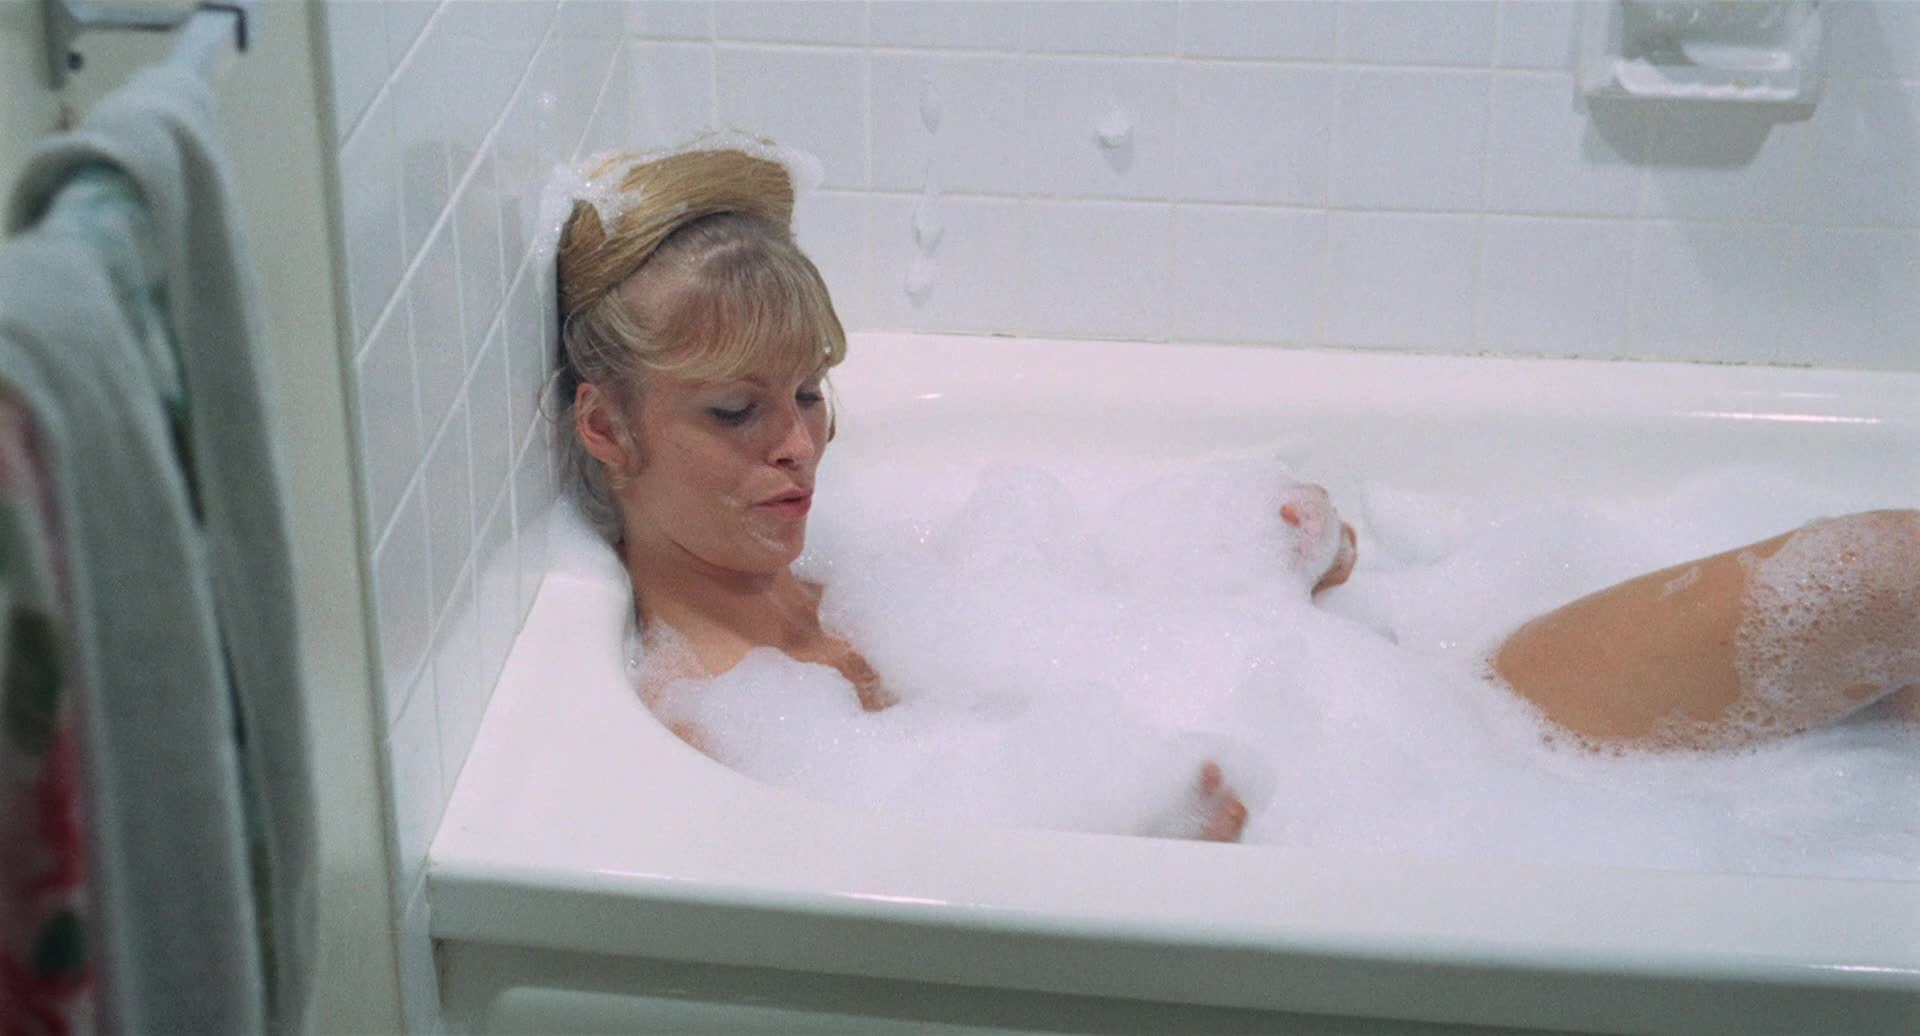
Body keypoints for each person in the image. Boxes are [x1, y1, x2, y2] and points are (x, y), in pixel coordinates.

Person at [551, 144, 1919, 841]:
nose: (798, 447)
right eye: (736, 413)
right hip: (1421, 809)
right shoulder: (702, 717)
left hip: (1437, 724)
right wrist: (1129, 830)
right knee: (1890, 582)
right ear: (607, 428)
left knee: (1887, 595)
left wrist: (1279, 556)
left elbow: (1117, 603)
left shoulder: (860, 567)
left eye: (809, 395)